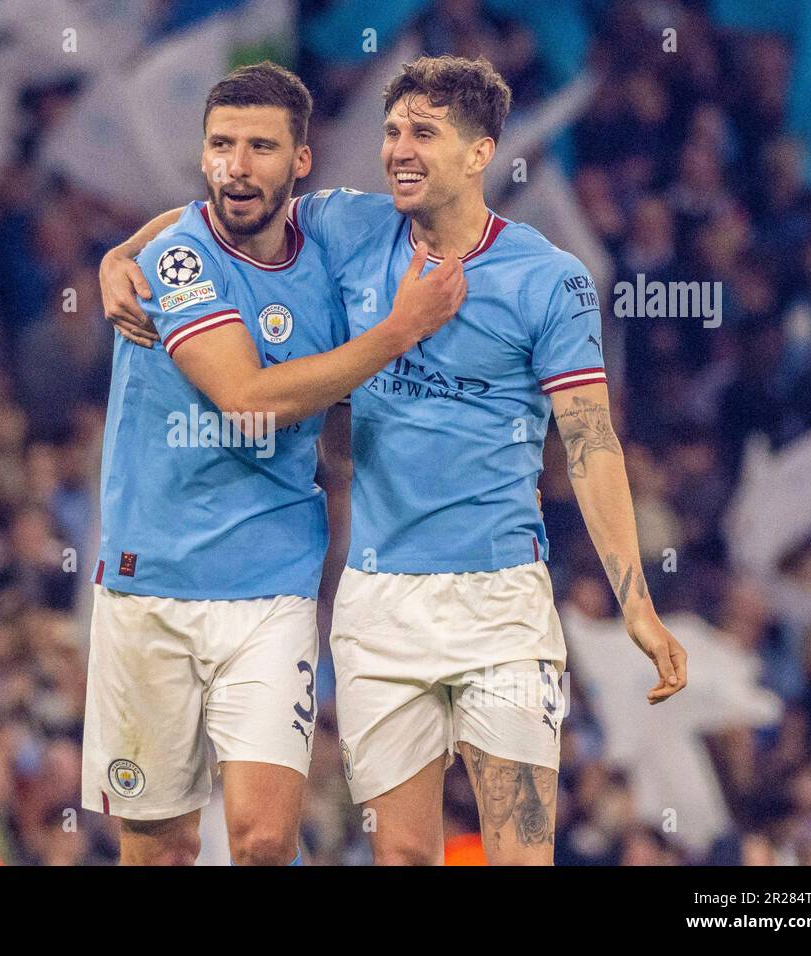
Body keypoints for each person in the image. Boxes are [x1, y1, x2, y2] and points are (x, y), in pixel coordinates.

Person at [100, 55, 687, 865]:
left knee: (520, 854)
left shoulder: (550, 281)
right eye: (391, 131)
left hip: (501, 605)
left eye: (423, 133)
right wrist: (120, 255)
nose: (398, 150)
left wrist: (636, 601)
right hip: (378, 607)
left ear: (481, 152)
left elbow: (591, 445)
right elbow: (227, 203)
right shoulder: (353, 229)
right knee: (404, 857)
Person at [81, 61, 465, 865]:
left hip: (271, 587)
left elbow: (441, 210)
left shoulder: (332, 233)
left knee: (260, 840)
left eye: (261, 146)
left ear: (302, 163)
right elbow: (245, 397)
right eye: (221, 144)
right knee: (160, 847)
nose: (237, 165)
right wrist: (397, 333)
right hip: (151, 582)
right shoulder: (177, 260)